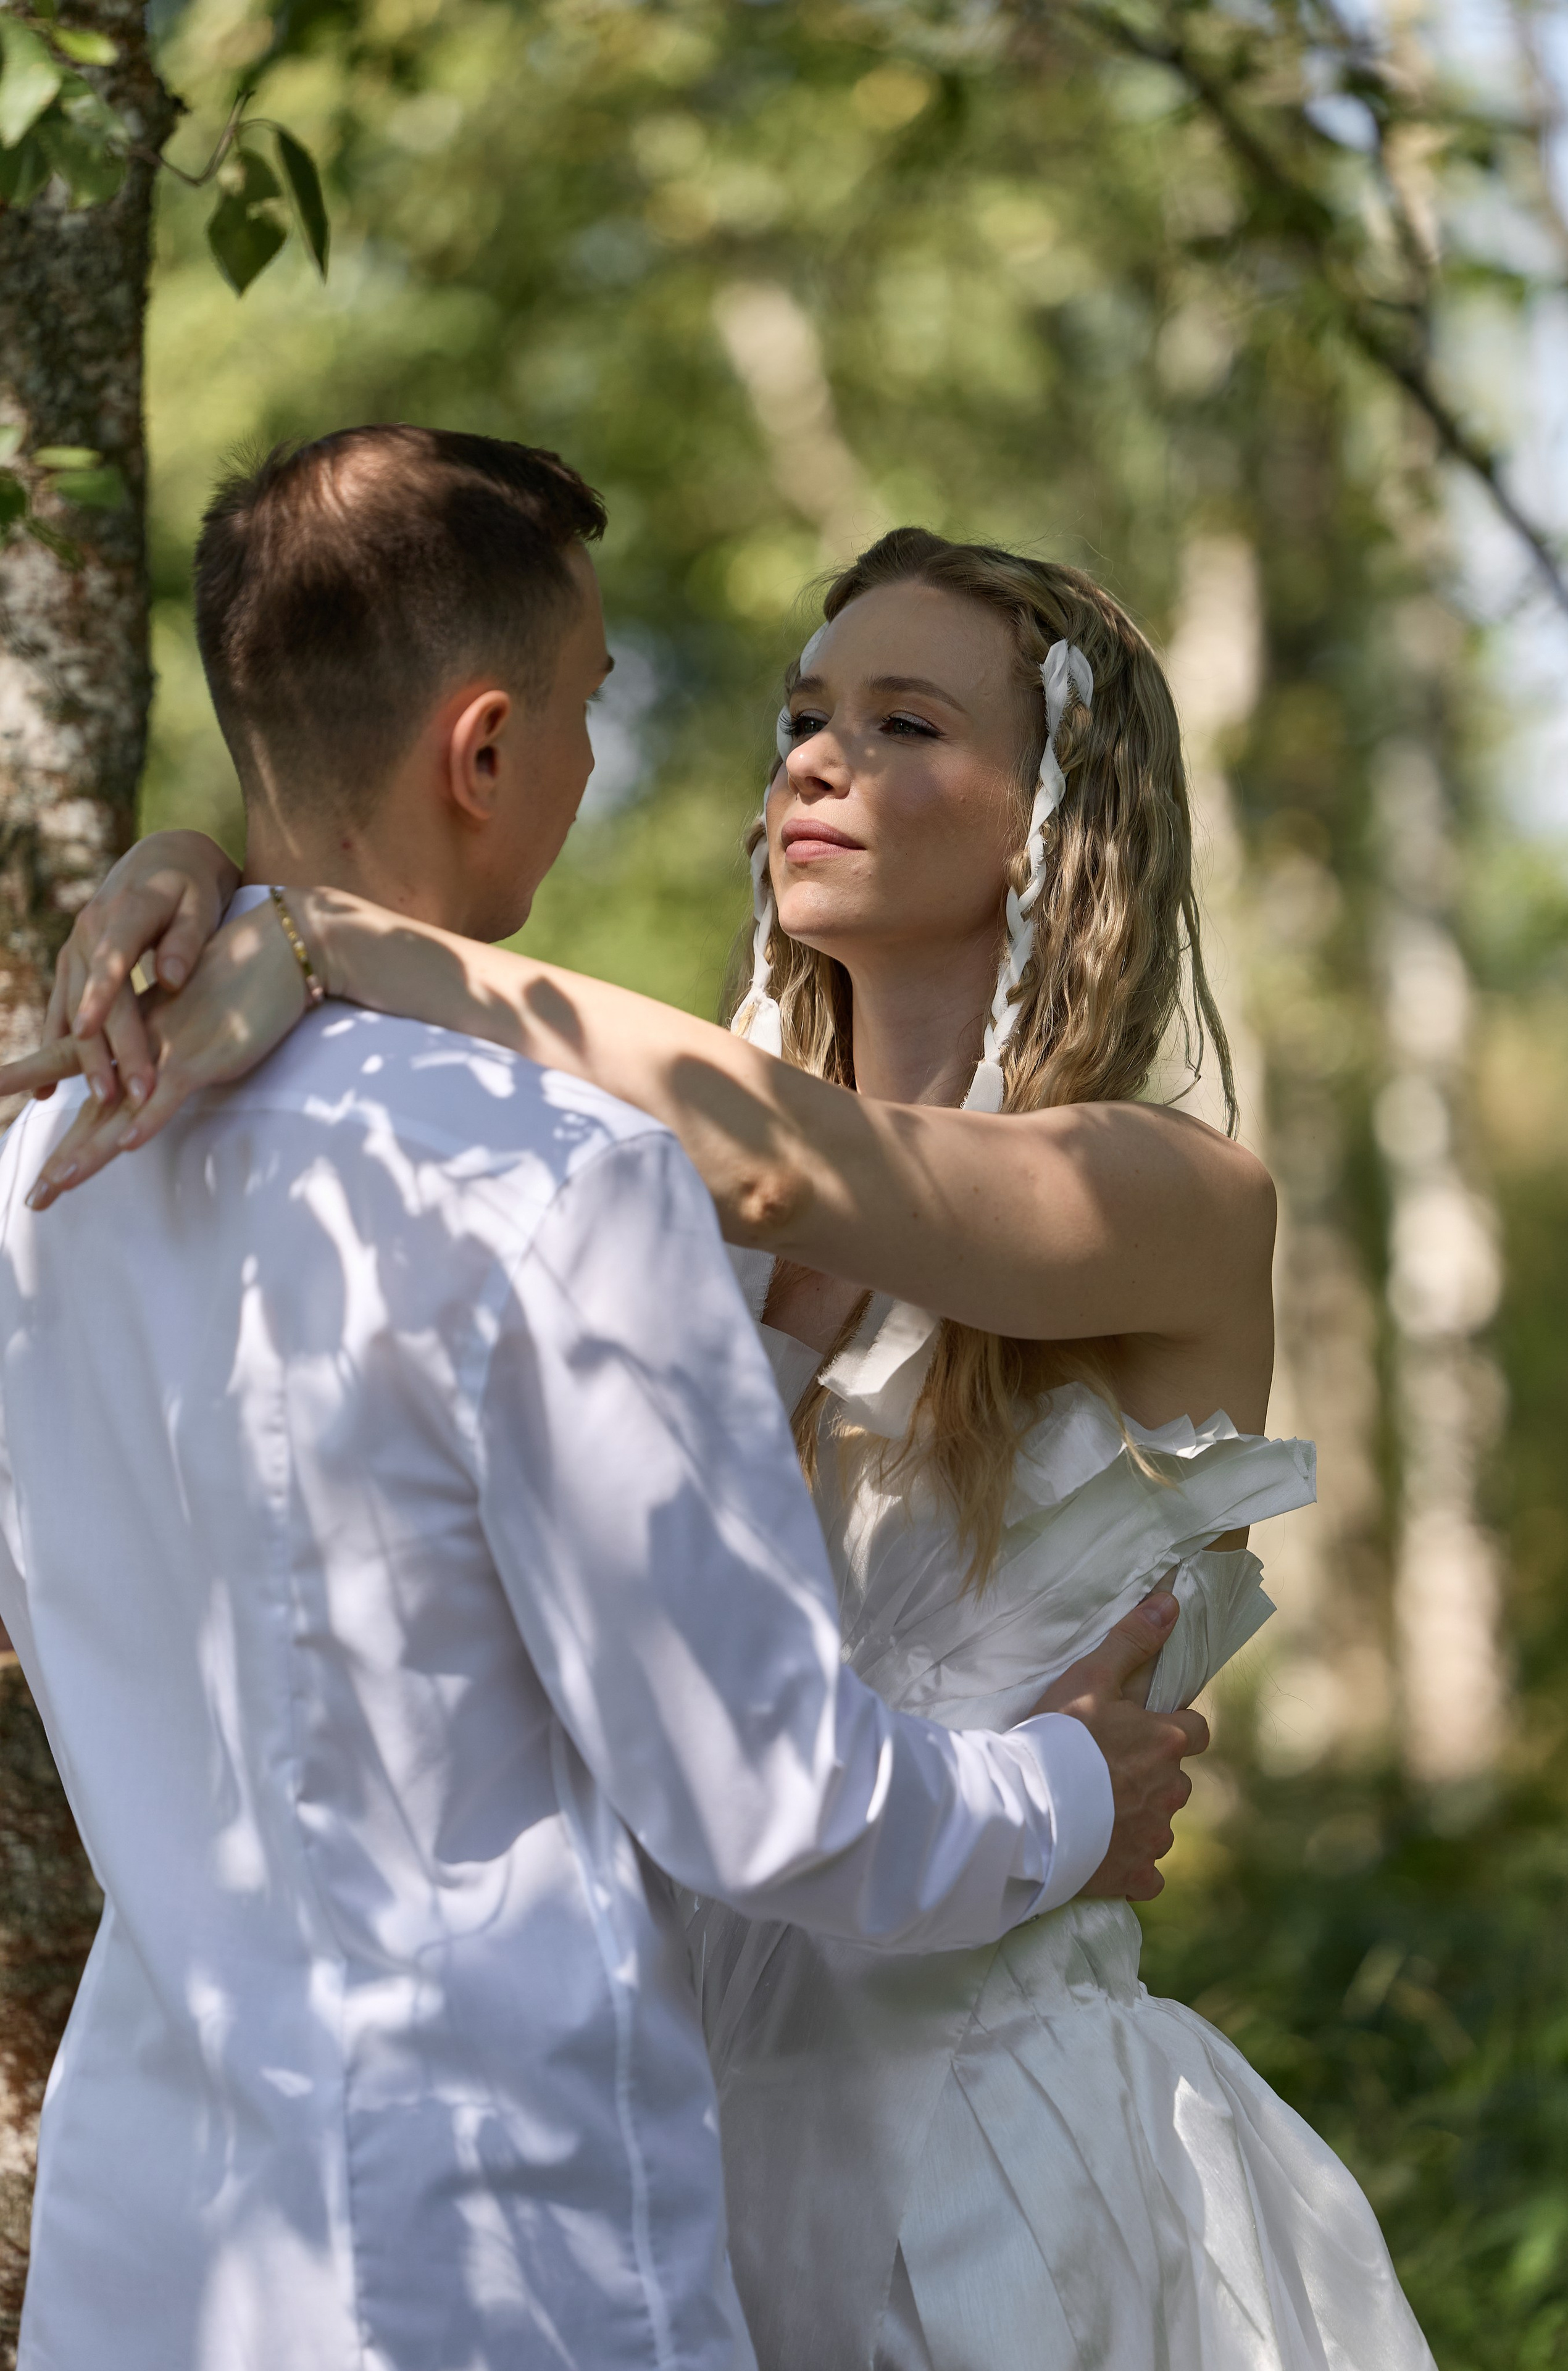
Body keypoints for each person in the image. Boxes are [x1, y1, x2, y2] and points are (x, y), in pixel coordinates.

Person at [6, 501, 1435, 2367]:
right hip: (660, 2147)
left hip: (996, 2168)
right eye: (804, 716)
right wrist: (208, 868)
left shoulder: (1166, 1193)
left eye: (908, 723)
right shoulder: (644, 1167)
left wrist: (322, 924)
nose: (820, 760)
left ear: (1054, 818)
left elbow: (797, 1164)